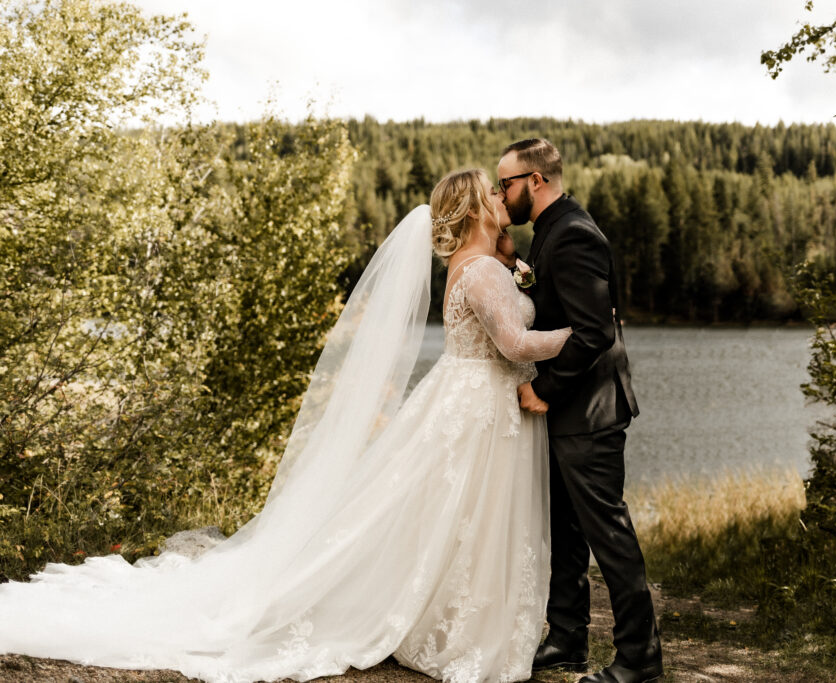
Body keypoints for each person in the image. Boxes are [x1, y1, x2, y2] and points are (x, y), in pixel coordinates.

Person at [0, 168, 571, 683]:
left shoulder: (470, 267)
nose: (503, 199)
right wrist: (586, 335)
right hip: (481, 406)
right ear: (473, 206)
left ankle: (442, 612)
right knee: (468, 513)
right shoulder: (485, 273)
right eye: (493, 192)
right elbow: (516, 342)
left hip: (473, 398)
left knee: (451, 514)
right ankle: (456, 622)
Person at [497, 139, 663, 683]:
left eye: (507, 184)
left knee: (607, 533)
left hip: (588, 412)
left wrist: (544, 387)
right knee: (564, 532)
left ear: (536, 181)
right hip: (572, 413)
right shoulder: (551, 232)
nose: (503, 194)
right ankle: (566, 639)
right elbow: (556, 303)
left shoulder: (572, 234)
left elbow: (593, 331)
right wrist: (514, 267)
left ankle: (640, 658)